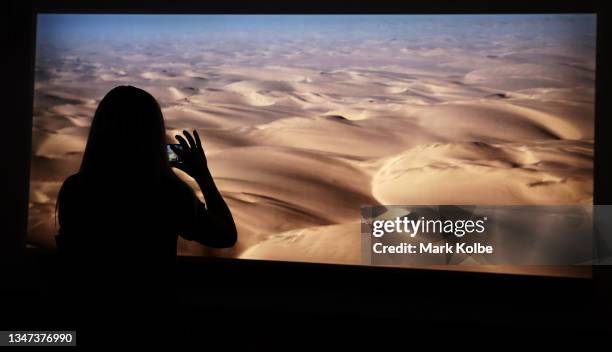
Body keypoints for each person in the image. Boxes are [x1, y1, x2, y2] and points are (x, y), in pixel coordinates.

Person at [53, 86, 237, 325]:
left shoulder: (75, 189)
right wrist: (203, 176)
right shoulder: (168, 194)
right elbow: (224, 236)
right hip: (150, 319)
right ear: (153, 135)